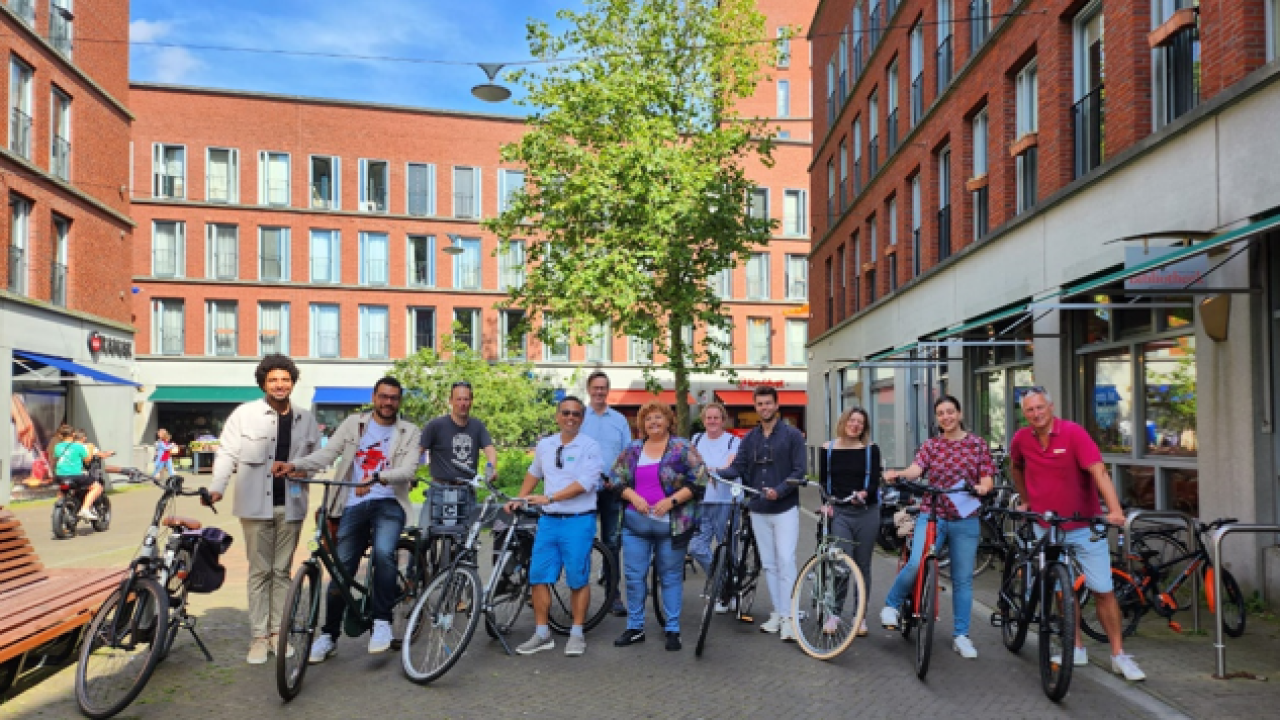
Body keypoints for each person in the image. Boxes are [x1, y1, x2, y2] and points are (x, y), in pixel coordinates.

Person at [279, 377, 422, 661]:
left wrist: (379, 476)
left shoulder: (409, 431)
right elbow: (327, 454)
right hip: (353, 504)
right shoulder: (353, 425)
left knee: (384, 553)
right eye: (383, 396)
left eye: (394, 398)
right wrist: (296, 465)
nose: (388, 402)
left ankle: (382, 622)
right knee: (341, 569)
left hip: (389, 503)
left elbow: (409, 470)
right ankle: (328, 636)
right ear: (374, 397)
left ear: (399, 401)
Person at [1009, 387, 1145, 681]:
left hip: (1084, 525)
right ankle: (1076, 647)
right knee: (1062, 589)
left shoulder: (1073, 434)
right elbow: (1016, 467)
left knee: (1103, 590)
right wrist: (1026, 499)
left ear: (1051, 406)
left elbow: (1099, 472)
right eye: (1030, 410)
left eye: (1040, 408)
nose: (1035, 414)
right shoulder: (1021, 439)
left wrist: (1115, 509)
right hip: (1047, 525)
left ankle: (1118, 655)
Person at [209, 354, 321, 665]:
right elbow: (227, 452)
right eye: (273, 380)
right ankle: (259, 636)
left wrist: (302, 469)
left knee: (282, 572)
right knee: (260, 572)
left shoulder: (306, 419)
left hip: (292, 505)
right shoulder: (244, 415)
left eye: (285, 379)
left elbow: (316, 459)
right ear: (263, 383)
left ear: (293, 383)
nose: (280, 385)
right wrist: (217, 487)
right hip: (255, 506)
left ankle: (277, 633)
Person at [880, 395, 993, 659]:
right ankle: (892, 605)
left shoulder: (977, 445)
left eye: (950, 412)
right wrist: (898, 474)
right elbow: (915, 470)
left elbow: (987, 478)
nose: (946, 417)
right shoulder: (932, 445)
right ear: (937, 418)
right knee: (917, 561)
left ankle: (961, 636)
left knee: (963, 579)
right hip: (933, 515)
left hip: (966, 519)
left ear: (960, 413)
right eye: (941, 413)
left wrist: (982, 487)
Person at [508, 396, 603, 657]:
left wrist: (550, 497)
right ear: (557, 416)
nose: (570, 417)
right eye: (565, 413)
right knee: (538, 577)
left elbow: (585, 482)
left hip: (578, 520)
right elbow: (534, 472)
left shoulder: (590, 446)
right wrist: (520, 497)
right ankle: (542, 634)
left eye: (576, 414)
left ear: (582, 419)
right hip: (549, 522)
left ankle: (576, 633)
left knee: (577, 578)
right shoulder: (545, 445)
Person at [610, 401, 706, 651]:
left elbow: (700, 478)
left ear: (668, 421)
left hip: (670, 526)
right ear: (642, 424)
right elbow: (614, 478)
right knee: (633, 577)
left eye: (658, 418)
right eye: (648, 419)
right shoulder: (632, 449)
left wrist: (672, 501)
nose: (653, 423)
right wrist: (633, 497)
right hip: (635, 525)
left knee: (671, 577)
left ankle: (672, 629)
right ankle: (635, 627)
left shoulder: (681, 447)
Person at [720, 386, 807, 642]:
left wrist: (779, 491)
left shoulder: (792, 436)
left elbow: (800, 471)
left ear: (777, 405)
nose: (764, 407)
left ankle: (790, 618)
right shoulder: (750, 439)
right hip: (758, 508)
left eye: (768, 403)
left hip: (785, 508)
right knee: (768, 564)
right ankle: (778, 614)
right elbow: (738, 466)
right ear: (755, 407)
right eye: (760, 404)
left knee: (786, 559)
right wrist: (714, 471)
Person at [817, 407, 882, 637]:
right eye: (852, 420)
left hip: (866, 512)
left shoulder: (870, 450)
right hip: (840, 512)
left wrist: (864, 494)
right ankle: (834, 613)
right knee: (841, 564)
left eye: (860, 423)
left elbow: (874, 482)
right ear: (843, 422)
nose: (855, 425)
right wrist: (826, 503)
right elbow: (823, 482)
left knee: (863, 565)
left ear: (864, 427)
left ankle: (859, 616)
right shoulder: (828, 448)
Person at [579, 371, 633, 616]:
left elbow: (628, 455)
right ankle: (579, 595)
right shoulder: (579, 417)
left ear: (607, 391)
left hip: (612, 491)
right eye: (595, 387)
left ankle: (614, 596)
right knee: (581, 542)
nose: (599, 392)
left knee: (612, 544)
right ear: (589, 389)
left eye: (603, 388)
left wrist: (618, 480)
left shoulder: (619, 420)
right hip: (584, 491)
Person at [418, 381, 498, 528]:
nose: (462, 403)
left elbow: (490, 450)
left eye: (466, 399)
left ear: (471, 401)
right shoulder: (435, 426)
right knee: (423, 533)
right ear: (451, 401)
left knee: (467, 540)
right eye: (458, 399)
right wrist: (409, 473)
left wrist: (491, 467)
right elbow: (418, 451)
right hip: (439, 489)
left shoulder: (477, 426)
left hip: (465, 491)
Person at [686, 402, 740, 613]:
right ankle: (722, 584)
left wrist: (711, 470)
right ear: (703, 419)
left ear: (723, 420)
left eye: (716, 418)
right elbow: (691, 466)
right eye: (708, 418)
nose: (712, 421)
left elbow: (730, 466)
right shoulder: (696, 440)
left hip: (725, 501)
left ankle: (731, 591)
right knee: (696, 547)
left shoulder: (733, 441)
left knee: (729, 549)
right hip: (701, 501)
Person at [51, 424, 99, 520]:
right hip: (75, 476)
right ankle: (85, 509)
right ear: (73, 434)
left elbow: (55, 458)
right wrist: (90, 448)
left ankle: (60, 511)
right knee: (97, 487)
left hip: (60, 476)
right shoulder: (78, 446)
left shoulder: (57, 447)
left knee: (62, 490)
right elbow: (87, 460)